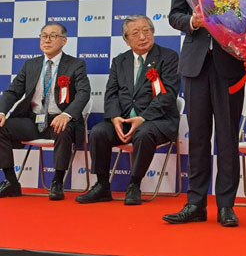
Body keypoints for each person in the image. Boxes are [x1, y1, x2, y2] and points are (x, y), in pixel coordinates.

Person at [163, 0, 246, 227]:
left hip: (230, 64)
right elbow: (174, 14)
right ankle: (195, 203)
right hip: (196, 65)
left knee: (227, 138)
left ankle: (226, 206)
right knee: (199, 137)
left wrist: (229, 17)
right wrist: (192, 21)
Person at [76, 15, 180, 205]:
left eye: (146, 31)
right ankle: (102, 185)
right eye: (136, 33)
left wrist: (142, 118)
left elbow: (169, 95)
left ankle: (134, 184)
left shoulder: (168, 57)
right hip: (124, 121)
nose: (142, 36)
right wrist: (114, 117)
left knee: (144, 133)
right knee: (99, 132)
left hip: (157, 121)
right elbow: (111, 93)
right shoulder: (119, 61)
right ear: (126, 39)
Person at [0, 23, 90, 200]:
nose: (47, 40)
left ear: (64, 41)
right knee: (1, 127)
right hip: (33, 120)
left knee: (62, 128)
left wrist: (66, 114)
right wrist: (1, 111)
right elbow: (12, 92)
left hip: (59, 119)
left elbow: (83, 93)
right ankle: (11, 181)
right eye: (44, 36)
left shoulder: (75, 64)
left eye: (53, 36)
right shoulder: (30, 65)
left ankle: (57, 182)